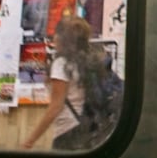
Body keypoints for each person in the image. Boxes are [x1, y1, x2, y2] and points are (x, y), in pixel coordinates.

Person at [22, 16, 100, 150]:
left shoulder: (61, 64)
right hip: (87, 127)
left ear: (62, 38)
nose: (54, 38)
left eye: (56, 33)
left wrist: (30, 141)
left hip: (68, 133)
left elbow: (55, 107)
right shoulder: (86, 62)